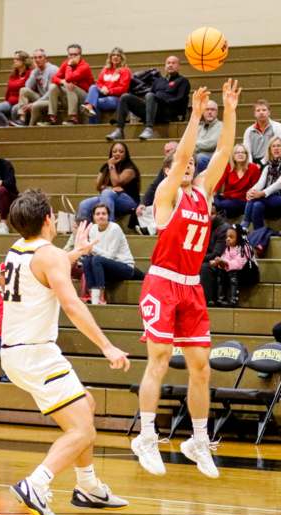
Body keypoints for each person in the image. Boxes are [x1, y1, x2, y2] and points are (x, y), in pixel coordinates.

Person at [132, 80, 241, 479]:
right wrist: (195, 115)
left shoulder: (203, 194)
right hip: (162, 282)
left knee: (201, 367)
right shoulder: (167, 193)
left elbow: (225, 152)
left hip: (191, 284)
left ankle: (197, 439)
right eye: (185, 163)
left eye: (194, 164)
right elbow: (181, 156)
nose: (190, 165)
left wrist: (229, 110)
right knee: (159, 359)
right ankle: (146, 435)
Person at [2, 191, 130, 515]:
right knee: (83, 430)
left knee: (85, 405)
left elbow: (43, 269)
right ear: (47, 220)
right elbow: (73, 306)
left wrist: (77, 252)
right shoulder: (51, 256)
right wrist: (107, 346)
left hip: (16, 352)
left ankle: (87, 486)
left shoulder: (17, 249)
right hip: (36, 353)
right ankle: (37, 483)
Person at [106, 55, 190, 141]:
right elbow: (150, 98)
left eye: (173, 63)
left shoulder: (183, 81)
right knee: (125, 97)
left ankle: (149, 128)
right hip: (152, 111)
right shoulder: (159, 81)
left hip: (167, 112)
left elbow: (181, 100)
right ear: (165, 66)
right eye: (168, 63)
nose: (170, 65)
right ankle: (119, 130)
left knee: (150, 95)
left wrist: (162, 101)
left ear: (179, 66)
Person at [81, 204, 135, 305]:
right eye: (97, 214)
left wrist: (91, 247)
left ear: (108, 216)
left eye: (103, 214)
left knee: (96, 259)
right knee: (87, 260)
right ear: (93, 217)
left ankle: (101, 296)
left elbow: (110, 256)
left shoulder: (115, 228)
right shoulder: (93, 229)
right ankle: (93, 296)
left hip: (124, 267)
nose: (101, 216)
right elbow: (94, 253)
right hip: (104, 267)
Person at [76, 141, 140, 222]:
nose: (117, 154)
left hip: (130, 202)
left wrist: (111, 166)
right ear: (111, 153)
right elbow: (98, 186)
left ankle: (108, 227)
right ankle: (84, 231)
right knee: (85, 204)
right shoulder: (106, 166)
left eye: (121, 152)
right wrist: (110, 188)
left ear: (126, 154)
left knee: (107, 193)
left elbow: (116, 182)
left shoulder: (130, 168)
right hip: (107, 198)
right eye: (114, 151)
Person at [242, 136, 281, 231]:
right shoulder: (268, 166)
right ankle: (258, 234)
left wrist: (262, 193)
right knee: (257, 205)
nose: (276, 148)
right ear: (270, 150)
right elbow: (260, 184)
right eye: (273, 146)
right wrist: (251, 191)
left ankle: (245, 222)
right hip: (267, 200)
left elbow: (279, 184)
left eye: (279, 146)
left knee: (254, 200)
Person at [45, 43, 94, 126]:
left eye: (75, 54)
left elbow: (69, 78)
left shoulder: (84, 66)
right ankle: (52, 117)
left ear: (80, 55)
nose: (72, 57)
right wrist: (62, 81)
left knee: (69, 85)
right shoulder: (66, 63)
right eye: (70, 54)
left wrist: (69, 66)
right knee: (53, 86)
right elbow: (54, 78)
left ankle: (73, 118)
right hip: (71, 94)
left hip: (85, 97)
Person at [81, 47, 131, 125]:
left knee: (95, 101)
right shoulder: (105, 69)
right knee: (93, 87)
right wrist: (102, 87)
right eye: (113, 55)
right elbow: (99, 83)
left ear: (121, 58)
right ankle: (90, 106)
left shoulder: (125, 71)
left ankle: (92, 122)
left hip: (116, 99)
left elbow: (123, 88)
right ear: (110, 57)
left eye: (118, 55)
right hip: (104, 94)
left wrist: (109, 90)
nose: (115, 57)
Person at [204, 224, 250, 307]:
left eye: (231, 237)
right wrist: (216, 262)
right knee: (220, 272)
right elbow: (224, 258)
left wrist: (224, 262)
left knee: (233, 274)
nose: (228, 239)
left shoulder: (244, 248)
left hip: (247, 273)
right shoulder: (228, 248)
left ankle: (233, 299)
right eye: (227, 237)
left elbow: (239, 264)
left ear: (239, 238)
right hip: (233, 271)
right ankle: (221, 298)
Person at [212, 144, 260, 218]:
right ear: (233, 156)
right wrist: (213, 194)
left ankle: (220, 208)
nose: (240, 154)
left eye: (243, 152)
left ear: (246, 155)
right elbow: (219, 182)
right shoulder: (228, 168)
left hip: (244, 200)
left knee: (226, 204)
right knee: (214, 200)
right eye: (237, 152)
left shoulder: (253, 168)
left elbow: (256, 187)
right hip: (228, 198)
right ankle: (219, 208)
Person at [12, 48, 59, 126]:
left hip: (52, 100)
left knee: (34, 106)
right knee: (23, 90)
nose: (37, 60)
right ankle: (22, 120)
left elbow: (51, 92)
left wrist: (35, 102)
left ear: (45, 58)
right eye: (35, 58)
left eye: (40, 57)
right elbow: (28, 86)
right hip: (42, 98)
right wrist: (34, 72)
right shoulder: (35, 71)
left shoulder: (53, 70)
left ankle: (31, 127)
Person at [0, 50, 33, 127]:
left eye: (17, 59)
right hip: (10, 102)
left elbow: (29, 89)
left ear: (24, 61)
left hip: (21, 103)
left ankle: (16, 126)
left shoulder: (29, 73)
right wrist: (6, 101)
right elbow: (9, 90)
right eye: (14, 59)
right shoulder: (13, 74)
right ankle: (5, 127)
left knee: (15, 109)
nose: (14, 61)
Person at [243, 99, 281, 163]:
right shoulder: (249, 131)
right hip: (254, 162)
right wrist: (252, 166)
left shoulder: (278, 127)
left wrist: (263, 163)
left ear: (269, 112)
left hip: (273, 161)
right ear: (254, 114)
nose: (261, 112)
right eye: (258, 110)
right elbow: (247, 151)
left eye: (264, 110)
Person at [193, 99, 222, 172]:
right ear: (203, 112)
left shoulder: (222, 126)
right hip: (197, 156)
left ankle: (199, 182)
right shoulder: (198, 127)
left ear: (217, 112)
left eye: (213, 110)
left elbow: (212, 143)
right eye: (207, 109)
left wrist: (195, 144)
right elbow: (189, 142)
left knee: (200, 158)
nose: (209, 112)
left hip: (213, 158)